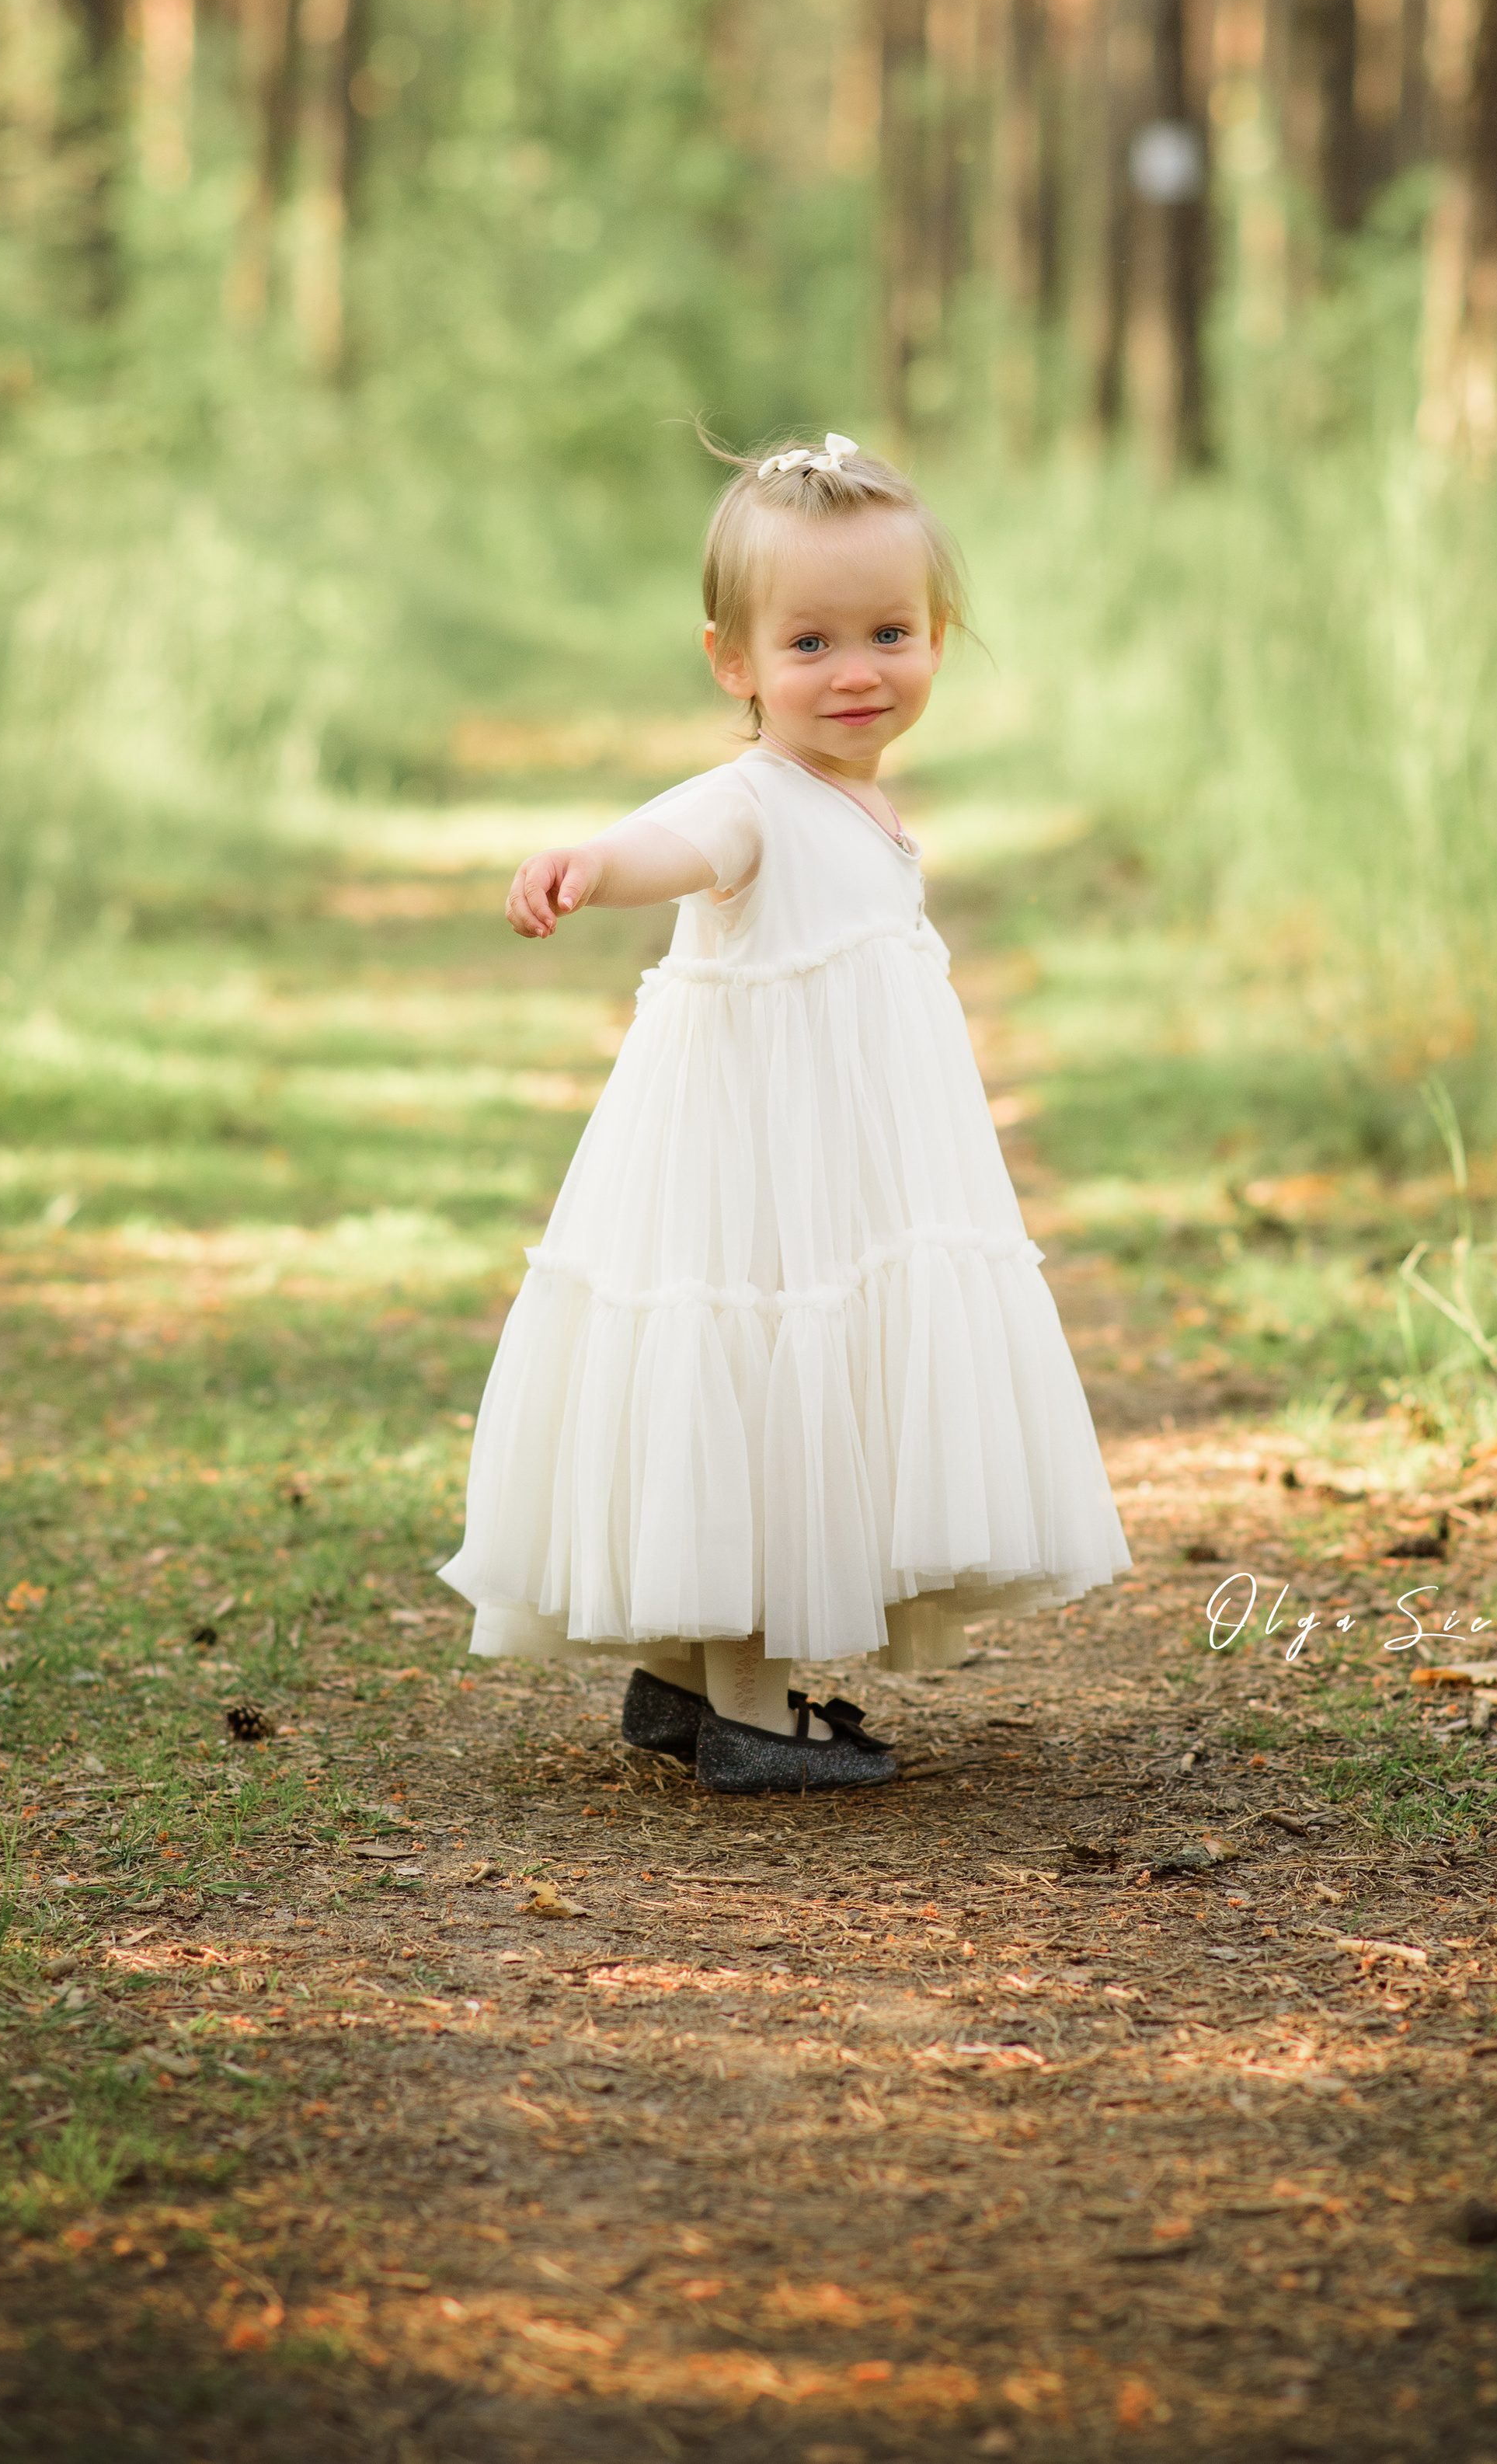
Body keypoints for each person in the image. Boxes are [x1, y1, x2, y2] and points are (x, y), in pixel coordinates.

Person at [438, 430, 1130, 1793]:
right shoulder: (753, 797)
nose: (857, 670)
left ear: (937, 636)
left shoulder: (861, 800)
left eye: (889, 633)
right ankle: (748, 1713)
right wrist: (592, 862)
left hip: (839, 1172)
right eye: (810, 643)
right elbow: (675, 839)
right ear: (734, 663)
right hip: (760, 1183)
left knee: (804, 1387)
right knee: (765, 1389)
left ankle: (683, 1679)